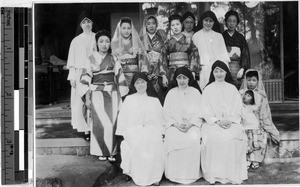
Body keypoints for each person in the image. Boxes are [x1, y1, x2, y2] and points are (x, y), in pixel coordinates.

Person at [116, 72, 174, 186]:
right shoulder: (128, 100)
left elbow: (164, 117)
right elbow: (122, 118)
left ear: (147, 84)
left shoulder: (154, 100)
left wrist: (164, 130)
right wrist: (125, 133)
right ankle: (139, 176)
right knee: (139, 143)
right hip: (134, 130)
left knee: (154, 143)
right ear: (134, 85)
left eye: (143, 82)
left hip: (152, 129)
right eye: (138, 83)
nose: (141, 85)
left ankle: (155, 176)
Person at [80, 30, 126, 161]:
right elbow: (85, 79)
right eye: (101, 41)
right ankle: (100, 151)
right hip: (96, 94)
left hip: (112, 93)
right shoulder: (90, 59)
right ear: (97, 43)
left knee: (112, 122)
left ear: (110, 43)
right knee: (99, 122)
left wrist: (122, 95)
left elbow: (120, 77)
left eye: (107, 41)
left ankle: (111, 151)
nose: (104, 44)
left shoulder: (114, 58)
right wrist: (87, 97)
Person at [200, 60, 247, 184]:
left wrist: (230, 120)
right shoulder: (208, 89)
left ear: (226, 73)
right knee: (214, 138)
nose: (219, 74)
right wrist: (217, 121)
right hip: (213, 123)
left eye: (221, 71)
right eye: (216, 71)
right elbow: (205, 110)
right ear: (213, 73)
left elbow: (238, 108)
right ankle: (215, 175)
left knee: (233, 136)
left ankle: (231, 174)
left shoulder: (232, 88)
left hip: (231, 122)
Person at [164, 67, 202, 184]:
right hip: (175, 126)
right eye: (179, 78)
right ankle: (174, 174)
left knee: (193, 138)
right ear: (176, 79)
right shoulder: (171, 93)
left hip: (192, 125)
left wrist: (190, 124)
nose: (182, 81)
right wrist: (176, 125)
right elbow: (165, 113)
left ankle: (190, 175)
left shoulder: (195, 92)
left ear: (189, 79)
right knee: (172, 137)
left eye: (184, 78)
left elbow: (200, 112)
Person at [240, 69, 280, 169]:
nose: (251, 83)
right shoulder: (241, 93)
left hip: (257, 122)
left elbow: (264, 111)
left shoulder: (261, 95)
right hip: (244, 122)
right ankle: (247, 159)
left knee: (258, 136)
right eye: (248, 80)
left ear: (258, 81)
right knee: (244, 137)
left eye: (254, 80)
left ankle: (255, 159)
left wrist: (263, 124)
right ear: (245, 80)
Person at [66, 11, 95, 140]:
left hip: (95, 73)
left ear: (92, 23)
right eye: (84, 22)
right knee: (80, 102)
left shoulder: (98, 37)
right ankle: (85, 130)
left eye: (89, 21)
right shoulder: (75, 40)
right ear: (81, 25)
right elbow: (71, 61)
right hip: (79, 74)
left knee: (94, 100)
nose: (87, 24)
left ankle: (94, 128)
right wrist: (72, 77)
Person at [192, 10, 230, 90]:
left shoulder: (219, 36)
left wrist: (225, 72)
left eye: (211, 21)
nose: (208, 23)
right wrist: (195, 72)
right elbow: (194, 57)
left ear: (214, 23)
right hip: (202, 71)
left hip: (216, 72)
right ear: (202, 21)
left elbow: (223, 56)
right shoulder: (196, 36)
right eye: (206, 20)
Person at [111, 17, 147, 97]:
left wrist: (139, 53)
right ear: (119, 29)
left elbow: (143, 57)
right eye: (123, 28)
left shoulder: (136, 41)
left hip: (135, 74)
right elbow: (112, 60)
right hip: (121, 75)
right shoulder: (114, 43)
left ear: (132, 29)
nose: (126, 30)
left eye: (128, 28)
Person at [140, 15, 169, 104]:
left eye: (153, 23)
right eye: (148, 24)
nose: (151, 26)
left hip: (158, 73)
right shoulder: (141, 40)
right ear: (145, 25)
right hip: (145, 74)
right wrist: (143, 74)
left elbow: (163, 57)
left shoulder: (162, 39)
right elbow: (140, 58)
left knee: (159, 99)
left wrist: (163, 75)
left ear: (156, 25)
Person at [165, 14, 201, 82]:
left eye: (177, 24)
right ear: (170, 27)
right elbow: (163, 59)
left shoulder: (188, 41)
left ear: (182, 25)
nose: (175, 27)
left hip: (186, 71)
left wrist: (193, 71)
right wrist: (164, 75)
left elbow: (194, 55)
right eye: (173, 25)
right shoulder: (167, 43)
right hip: (172, 72)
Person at [223, 10, 251, 88]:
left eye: (234, 21)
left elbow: (245, 54)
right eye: (229, 21)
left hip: (238, 68)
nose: (231, 23)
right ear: (226, 22)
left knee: (238, 90)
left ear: (237, 23)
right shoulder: (221, 37)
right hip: (224, 67)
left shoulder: (240, 37)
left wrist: (243, 68)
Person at [241, 89, 260, 164]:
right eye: (245, 94)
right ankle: (247, 159)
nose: (245, 96)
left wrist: (258, 124)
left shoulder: (252, 107)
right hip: (245, 125)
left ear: (252, 99)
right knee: (246, 140)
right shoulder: (242, 105)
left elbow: (256, 115)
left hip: (252, 124)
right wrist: (241, 93)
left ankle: (255, 142)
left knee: (253, 135)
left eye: (248, 96)